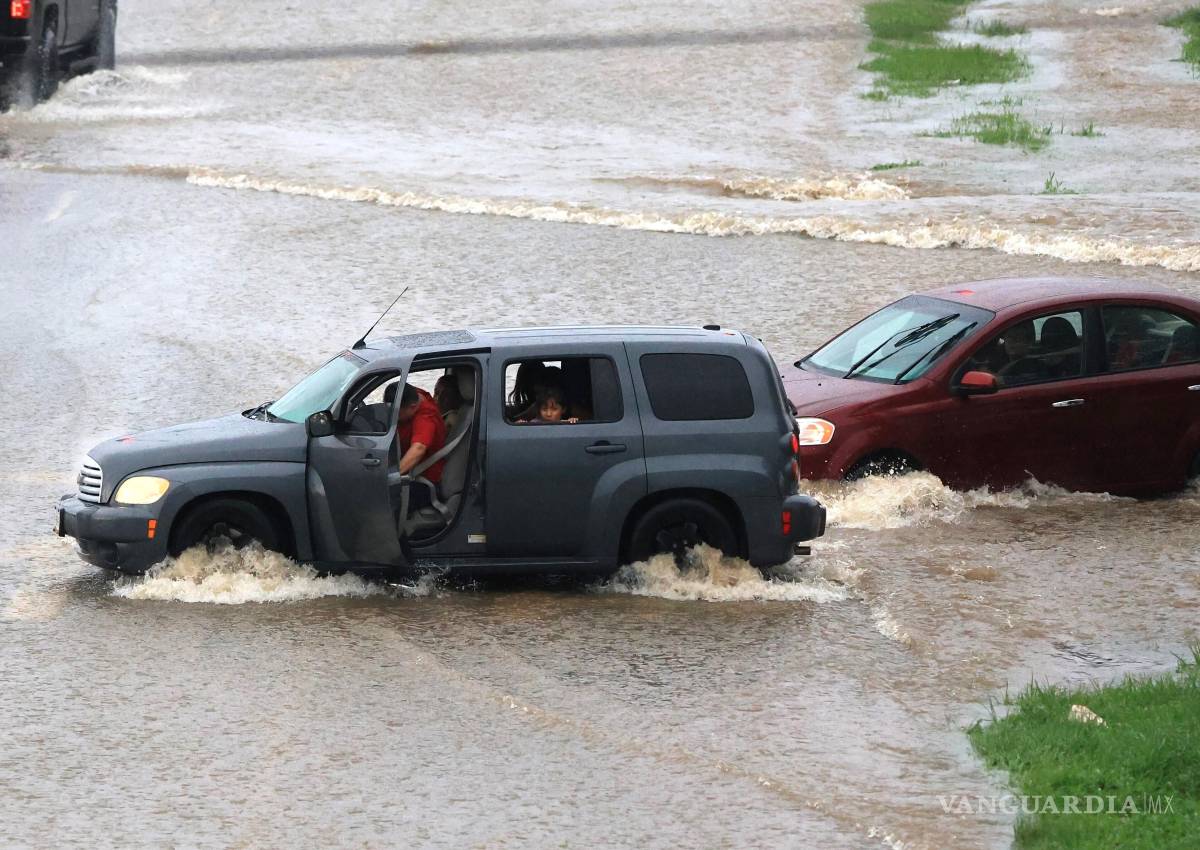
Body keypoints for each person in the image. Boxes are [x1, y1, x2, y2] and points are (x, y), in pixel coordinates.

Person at [395, 383, 447, 512]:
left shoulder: (426, 417)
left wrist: (391, 476)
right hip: (410, 471)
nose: (395, 418)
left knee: (381, 501)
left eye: (397, 415)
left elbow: (419, 448)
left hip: (423, 481)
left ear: (413, 407)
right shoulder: (414, 395)